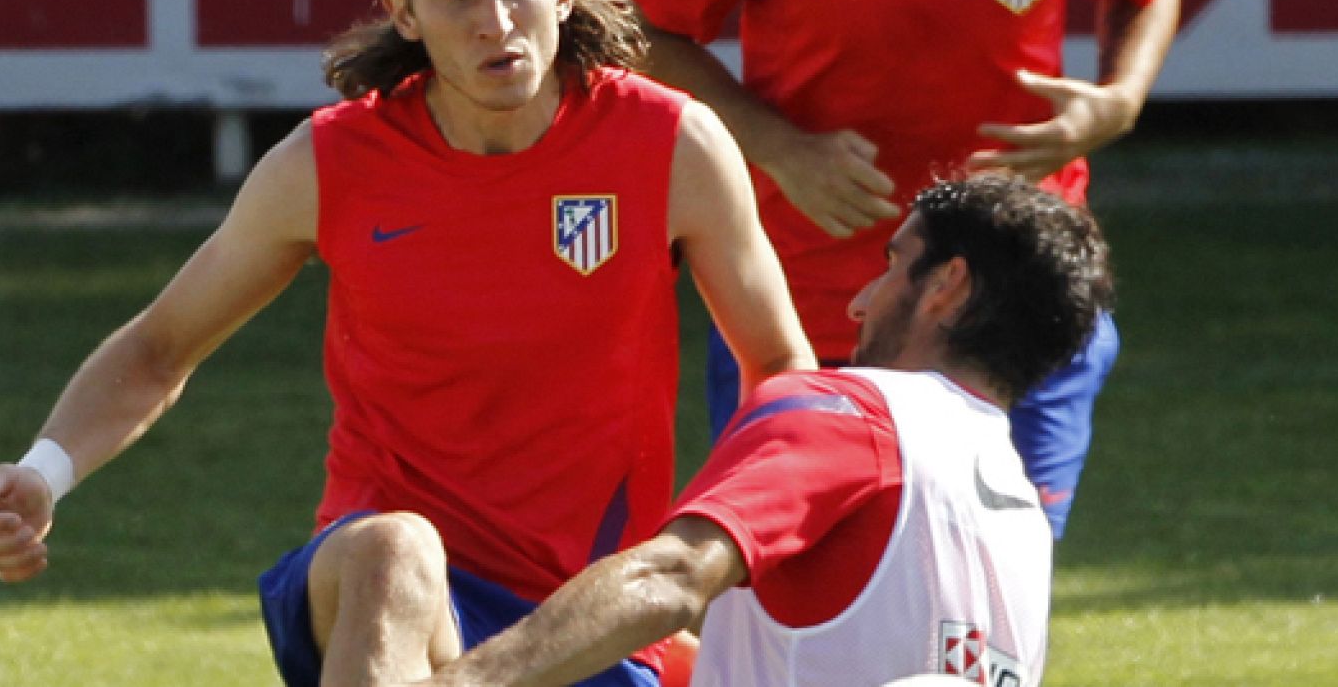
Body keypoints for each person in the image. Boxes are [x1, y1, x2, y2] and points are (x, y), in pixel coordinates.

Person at [0, 0, 814, 686]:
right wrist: (40, 474)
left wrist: (720, 557)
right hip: (380, 587)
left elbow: (780, 371)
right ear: (403, 12)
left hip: (585, 613)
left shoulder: (672, 143)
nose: (495, 19)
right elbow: (159, 348)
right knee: (395, 548)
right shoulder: (330, 163)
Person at [616, 0, 1180, 537]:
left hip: (1022, 288)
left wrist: (1119, 99)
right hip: (809, 304)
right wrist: (776, 146)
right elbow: (640, 25)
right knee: (795, 579)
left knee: (1002, 560)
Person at [400, 173, 1116, 687]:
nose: (861, 303)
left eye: (891, 264)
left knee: (383, 558)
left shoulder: (850, 413)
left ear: (946, 285)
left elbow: (673, 576)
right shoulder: (1022, 513)